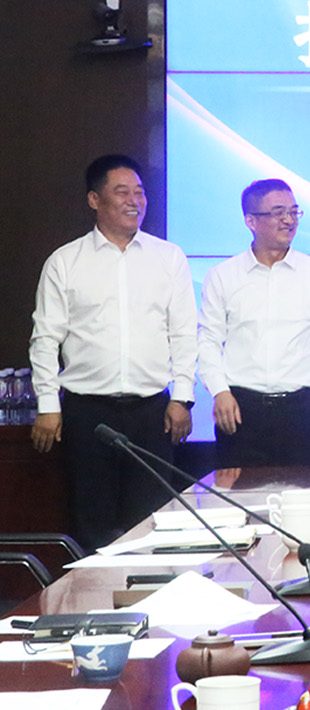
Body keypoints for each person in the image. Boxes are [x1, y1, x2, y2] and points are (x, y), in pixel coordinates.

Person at [28, 155, 197, 552]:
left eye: (139, 192)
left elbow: (184, 333)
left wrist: (182, 397)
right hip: (89, 414)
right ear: (94, 199)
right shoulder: (65, 261)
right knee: (92, 523)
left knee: (153, 523)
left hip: (152, 413)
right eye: (122, 192)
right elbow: (45, 339)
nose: (134, 201)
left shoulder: (168, 257)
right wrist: (48, 405)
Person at [197, 179, 310, 467]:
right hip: (241, 409)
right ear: (250, 221)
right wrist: (219, 391)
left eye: (294, 211)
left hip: (301, 410)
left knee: (304, 491)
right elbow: (208, 341)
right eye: (278, 212)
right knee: (242, 494)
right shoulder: (223, 276)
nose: (289, 220)